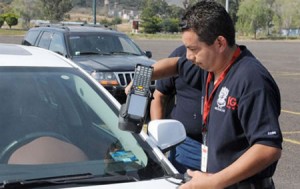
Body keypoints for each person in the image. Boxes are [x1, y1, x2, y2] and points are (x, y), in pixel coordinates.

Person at [126, 1, 283, 188]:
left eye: (193, 49)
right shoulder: (209, 67)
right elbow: (176, 64)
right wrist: (141, 79)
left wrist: (214, 182)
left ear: (220, 43)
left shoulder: (251, 80)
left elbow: (268, 148)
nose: (189, 56)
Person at [150, 45, 203, 173]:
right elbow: (159, 96)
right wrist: (158, 140)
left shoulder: (236, 66)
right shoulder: (181, 55)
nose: (190, 56)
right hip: (187, 148)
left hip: (225, 153)